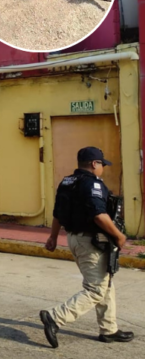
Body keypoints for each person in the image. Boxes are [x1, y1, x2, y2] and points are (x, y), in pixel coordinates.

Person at [40, 147, 133, 348]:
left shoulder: (67, 182)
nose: (103, 169)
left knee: (105, 283)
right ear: (94, 164)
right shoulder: (92, 184)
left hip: (74, 238)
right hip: (90, 241)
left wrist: (53, 237)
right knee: (95, 289)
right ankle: (55, 317)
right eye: (102, 164)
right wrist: (119, 236)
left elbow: (58, 213)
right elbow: (98, 215)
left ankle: (109, 330)